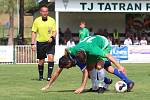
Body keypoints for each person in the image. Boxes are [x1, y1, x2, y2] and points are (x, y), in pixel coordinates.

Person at [64, 35, 134, 93]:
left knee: (100, 66)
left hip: (104, 44)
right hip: (93, 43)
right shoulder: (75, 50)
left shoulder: (93, 50)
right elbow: (66, 49)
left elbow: (108, 56)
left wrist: (119, 66)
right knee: (90, 68)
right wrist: (67, 57)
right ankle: (95, 87)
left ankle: (101, 86)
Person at [41, 53, 112, 94]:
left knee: (91, 72)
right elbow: (57, 72)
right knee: (90, 75)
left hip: (93, 57)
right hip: (85, 59)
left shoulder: (78, 60)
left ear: (69, 62)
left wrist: (82, 87)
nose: (67, 68)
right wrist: (48, 85)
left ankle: (102, 84)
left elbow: (85, 72)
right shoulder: (64, 61)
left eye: (67, 67)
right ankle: (107, 81)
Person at [31, 5, 56, 81]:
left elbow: (54, 31)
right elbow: (34, 32)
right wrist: (33, 43)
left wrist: (52, 37)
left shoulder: (52, 20)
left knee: (51, 57)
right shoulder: (37, 21)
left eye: (46, 11)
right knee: (41, 60)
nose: (45, 13)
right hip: (40, 43)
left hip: (50, 43)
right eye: (43, 11)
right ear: (40, 12)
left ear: (47, 12)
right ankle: (41, 76)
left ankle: (49, 76)